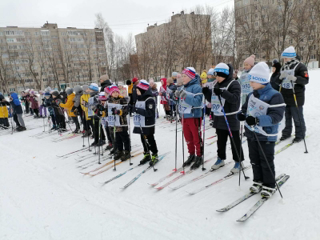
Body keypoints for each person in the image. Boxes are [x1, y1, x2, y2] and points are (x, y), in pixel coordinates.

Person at [237, 62, 285, 198]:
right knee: (254, 159)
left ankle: (269, 184)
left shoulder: (275, 95)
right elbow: (246, 109)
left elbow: (276, 116)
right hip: (252, 133)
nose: (250, 83)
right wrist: (241, 114)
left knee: (265, 159)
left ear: (261, 80)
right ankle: (258, 180)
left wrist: (258, 120)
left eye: (252, 80)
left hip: (266, 135)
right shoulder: (252, 95)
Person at [203, 63, 244, 173]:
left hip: (231, 117)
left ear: (224, 75)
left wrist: (223, 92)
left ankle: (238, 161)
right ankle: (220, 158)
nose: (216, 78)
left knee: (234, 140)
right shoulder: (216, 84)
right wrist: (207, 93)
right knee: (220, 140)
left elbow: (235, 99)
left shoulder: (234, 83)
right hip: (219, 117)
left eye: (219, 76)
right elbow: (213, 100)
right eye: (216, 76)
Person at [275, 46, 308, 143]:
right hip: (285, 95)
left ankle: (300, 134)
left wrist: (295, 78)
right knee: (286, 117)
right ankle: (286, 133)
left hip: (296, 96)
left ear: (292, 57)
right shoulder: (284, 67)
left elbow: (305, 80)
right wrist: (280, 77)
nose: (284, 60)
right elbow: (277, 82)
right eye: (284, 58)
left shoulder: (301, 66)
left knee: (297, 117)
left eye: (286, 58)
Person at [175, 67, 203, 169]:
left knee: (196, 137)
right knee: (188, 138)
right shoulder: (183, 87)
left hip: (193, 116)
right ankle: (191, 154)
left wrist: (185, 96)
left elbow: (197, 102)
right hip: (184, 116)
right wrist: (176, 97)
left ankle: (199, 156)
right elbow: (180, 101)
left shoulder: (196, 87)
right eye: (182, 76)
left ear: (191, 77)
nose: (182, 78)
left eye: (185, 76)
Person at [132, 80, 159, 166]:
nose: (136, 92)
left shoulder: (149, 99)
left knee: (149, 139)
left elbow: (150, 113)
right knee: (143, 139)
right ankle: (146, 153)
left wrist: (136, 110)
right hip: (140, 123)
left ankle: (154, 154)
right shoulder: (138, 99)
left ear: (143, 90)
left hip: (148, 123)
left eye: (138, 90)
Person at [105, 85, 130, 161]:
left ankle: (127, 151)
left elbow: (126, 110)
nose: (115, 94)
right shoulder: (109, 101)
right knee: (117, 138)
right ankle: (120, 150)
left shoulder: (122, 100)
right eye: (113, 92)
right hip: (114, 123)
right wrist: (104, 113)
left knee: (125, 137)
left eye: (117, 92)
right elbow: (106, 111)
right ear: (111, 93)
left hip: (122, 122)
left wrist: (120, 111)